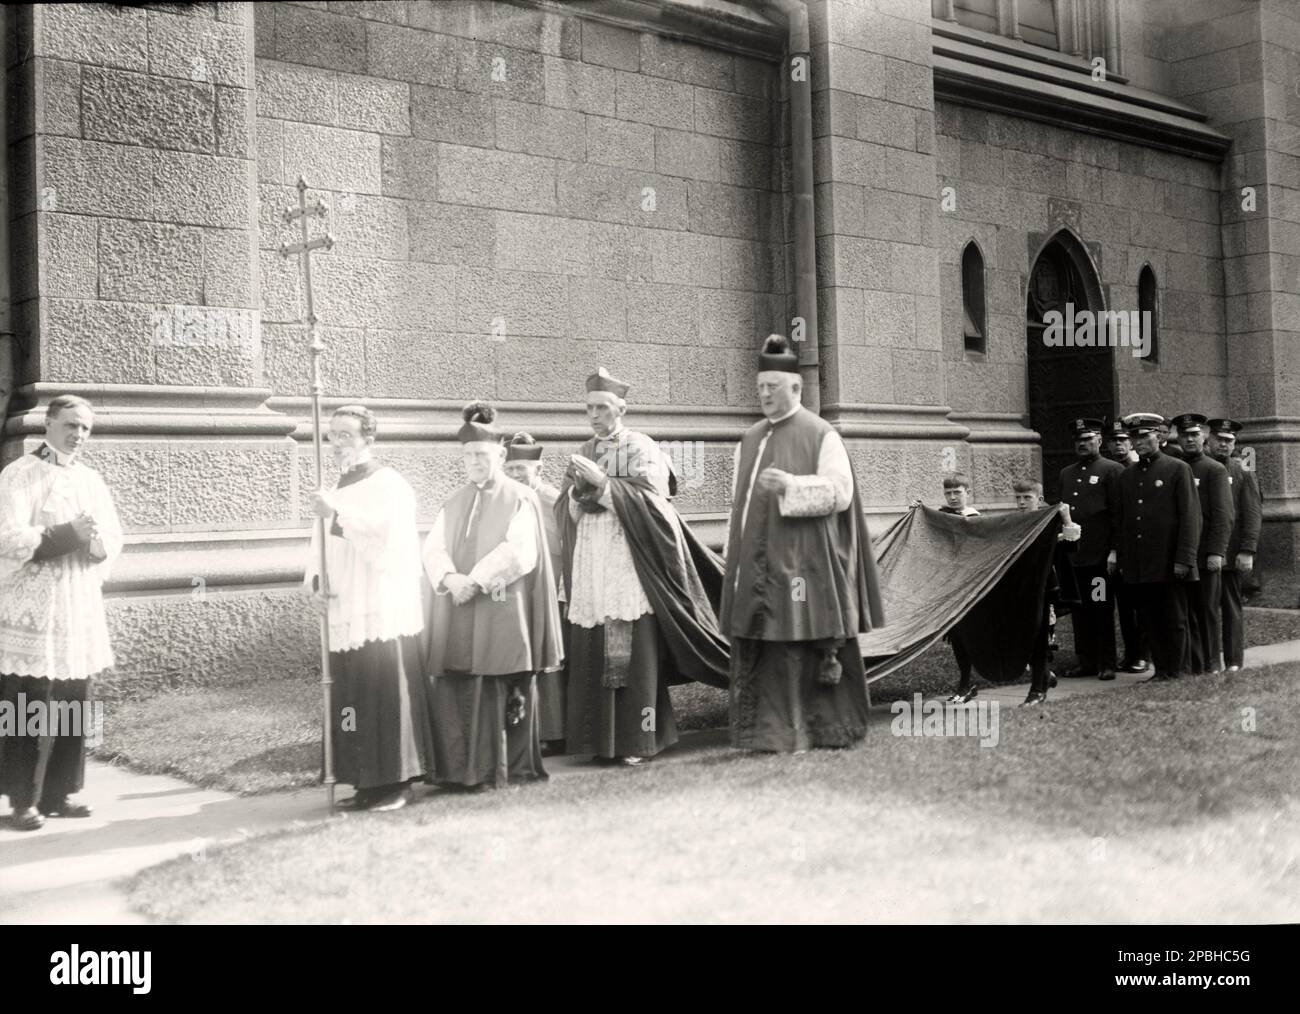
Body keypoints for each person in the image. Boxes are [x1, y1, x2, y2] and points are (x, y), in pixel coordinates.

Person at [555, 369, 729, 765]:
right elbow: (564, 506)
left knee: (628, 648)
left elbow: (656, 505)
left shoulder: (642, 447)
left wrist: (604, 488)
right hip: (592, 561)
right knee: (594, 645)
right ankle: (600, 741)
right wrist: (575, 499)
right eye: (589, 409)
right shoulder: (584, 448)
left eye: (602, 408)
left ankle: (637, 740)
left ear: (622, 409)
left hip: (627, 562)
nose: (594, 416)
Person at [721, 335, 884, 750]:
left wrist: (791, 486)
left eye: (772, 388)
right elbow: (737, 504)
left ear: (796, 388)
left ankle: (817, 731)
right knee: (762, 644)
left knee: (796, 643)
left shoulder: (821, 433)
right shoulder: (750, 437)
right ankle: (763, 736)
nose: (764, 395)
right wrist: (732, 554)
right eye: (760, 388)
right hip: (755, 563)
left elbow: (840, 493)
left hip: (804, 565)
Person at [422, 403, 563, 789]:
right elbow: (433, 547)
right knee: (456, 681)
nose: (474, 462)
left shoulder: (519, 496)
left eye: (481, 455)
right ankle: (456, 772)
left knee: (496, 679)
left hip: (500, 602)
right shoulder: (454, 500)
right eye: (468, 455)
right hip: (458, 602)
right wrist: (449, 577)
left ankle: (497, 771)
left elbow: (520, 552)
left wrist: (476, 580)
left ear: (499, 455)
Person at [0, 395, 123, 831]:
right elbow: (9, 538)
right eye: (71, 425)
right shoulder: (19, 475)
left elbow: (112, 536)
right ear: (48, 424)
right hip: (34, 605)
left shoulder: (91, 479)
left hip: (77, 603)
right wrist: (65, 534)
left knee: (73, 697)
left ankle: (60, 793)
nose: (78, 435)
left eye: (86, 428)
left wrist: (94, 544)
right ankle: (22, 799)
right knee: (30, 701)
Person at [303, 405, 435, 812]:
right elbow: (320, 546)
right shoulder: (336, 487)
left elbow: (389, 540)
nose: (338, 442)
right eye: (333, 434)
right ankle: (362, 778)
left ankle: (395, 781)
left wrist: (337, 515)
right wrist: (317, 583)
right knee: (350, 699)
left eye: (347, 434)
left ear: (369, 440)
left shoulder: (388, 483)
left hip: (380, 605)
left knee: (384, 694)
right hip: (345, 604)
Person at [1110, 415, 1200, 682]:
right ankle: (1161, 670)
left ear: (1159, 437)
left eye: (1145, 436)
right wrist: (1124, 558)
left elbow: (1190, 517)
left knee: (1174, 618)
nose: (1139, 442)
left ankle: (1178, 670)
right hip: (1140, 563)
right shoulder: (1127, 476)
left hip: (1170, 559)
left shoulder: (1177, 469)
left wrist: (1184, 558)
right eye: (1135, 438)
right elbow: (1124, 521)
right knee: (1149, 619)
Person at [502, 431, 567, 753]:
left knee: (547, 656)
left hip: (550, 587)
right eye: (509, 470)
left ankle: (552, 733)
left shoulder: (552, 499)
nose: (514, 476)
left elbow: (565, 547)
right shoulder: (504, 499)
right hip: (516, 590)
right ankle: (522, 730)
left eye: (521, 470)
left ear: (538, 470)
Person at [1057, 418, 1124, 682]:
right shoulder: (1067, 473)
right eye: (1078, 440)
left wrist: (1114, 551)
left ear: (1099, 440)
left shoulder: (1112, 470)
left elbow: (1118, 515)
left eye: (1088, 439)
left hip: (1099, 559)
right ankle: (1085, 661)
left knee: (1100, 608)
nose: (1083, 444)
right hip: (1075, 558)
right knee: (1079, 610)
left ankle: (1107, 662)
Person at [1171, 413, 1231, 675]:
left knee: (1206, 611)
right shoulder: (1175, 467)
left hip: (1206, 554)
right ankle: (1193, 664)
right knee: (1185, 613)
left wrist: (1216, 552)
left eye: (1194, 434)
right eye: (1184, 435)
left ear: (1204, 436)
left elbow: (1223, 515)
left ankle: (1211, 664)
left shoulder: (1214, 469)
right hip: (1182, 554)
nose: (1190, 439)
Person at [1012, 479, 1078, 705]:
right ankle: (1045, 676)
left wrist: (1066, 518)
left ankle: (1037, 691)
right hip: (1020, 591)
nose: (1021, 502)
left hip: (1044, 591)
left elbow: (1071, 546)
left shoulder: (1049, 522)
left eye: (1027, 498)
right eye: (1018, 498)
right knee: (1024, 640)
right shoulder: (1013, 523)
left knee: (1040, 641)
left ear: (1039, 500)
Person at [1206, 418, 1262, 673]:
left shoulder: (1242, 472)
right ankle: (1210, 661)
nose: (1223, 445)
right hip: (1203, 553)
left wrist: (1247, 550)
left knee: (1231, 608)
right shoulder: (1196, 468)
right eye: (1219, 439)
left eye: (1229, 441)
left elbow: (1252, 514)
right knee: (1205, 609)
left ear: (1235, 444)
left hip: (1230, 553)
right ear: (1209, 440)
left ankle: (1234, 661)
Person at [1105, 418, 1147, 673]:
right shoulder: (1108, 470)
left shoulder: (1136, 470)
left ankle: (1142, 654)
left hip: (1136, 550)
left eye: (1122, 441)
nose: (1118, 445)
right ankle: (1130, 654)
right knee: (1123, 608)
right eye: (1114, 441)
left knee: (1139, 607)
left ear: (1130, 443)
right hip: (1115, 549)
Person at [937, 473, 981, 703]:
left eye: (958, 492)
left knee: (970, 636)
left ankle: (1042, 673)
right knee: (958, 638)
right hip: (950, 587)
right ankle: (965, 683)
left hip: (971, 587)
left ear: (967, 493)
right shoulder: (943, 515)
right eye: (949, 493)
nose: (953, 497)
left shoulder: (975, 518)